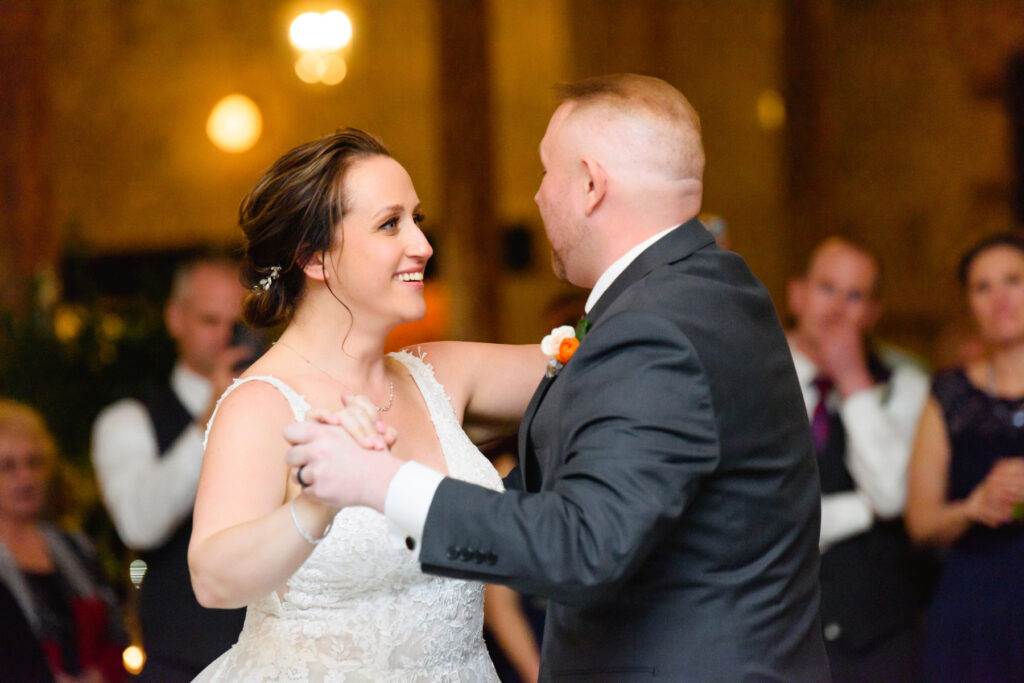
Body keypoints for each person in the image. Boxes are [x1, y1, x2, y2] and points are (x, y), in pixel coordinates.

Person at [285, 73, 831, 681]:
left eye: (547, 173)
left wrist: (384, 483)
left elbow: (584, 544)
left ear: (592, 185)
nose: (540, 196)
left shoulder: (653, 330)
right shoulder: (717, 289)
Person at [186, 128, 545, 681]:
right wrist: (313, 507)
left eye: (417, 220)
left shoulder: (441, 374)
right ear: (314, 259)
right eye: (389, 223)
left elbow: (599, 369)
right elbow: (213, 581)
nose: (423, 246)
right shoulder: (261, 405)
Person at [91, 258, 248, 682]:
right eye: (209, 320)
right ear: (176, 319)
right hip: (180, 665)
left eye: (238, 323)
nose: (224, 337)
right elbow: (139, 524)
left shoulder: (276, 409)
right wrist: (211, 416)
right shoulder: (128, 420)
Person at [787, 237, 931, 681]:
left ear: (873, 313)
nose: (836, 310)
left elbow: (890, 494)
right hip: (774, 635)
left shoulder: (905, 385)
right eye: (827, 288)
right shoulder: (750, 378)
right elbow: (762, 515)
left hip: (876, 645)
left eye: (855, 297)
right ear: (797, 294)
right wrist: (863, 508)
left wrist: (852, 379)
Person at [905, 232, 1024, 682]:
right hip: (974, 608)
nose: (1000, 298)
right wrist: (973, 507)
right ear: (969, 305)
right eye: (982, 286)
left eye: (1013, 280)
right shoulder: (950, 394)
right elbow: (920, 522)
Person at [0, 398, 127, 683]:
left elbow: (116, 630)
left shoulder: (76, 547)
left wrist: (100, 675)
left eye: (34, 463)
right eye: (8, 466)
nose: (25, 477)